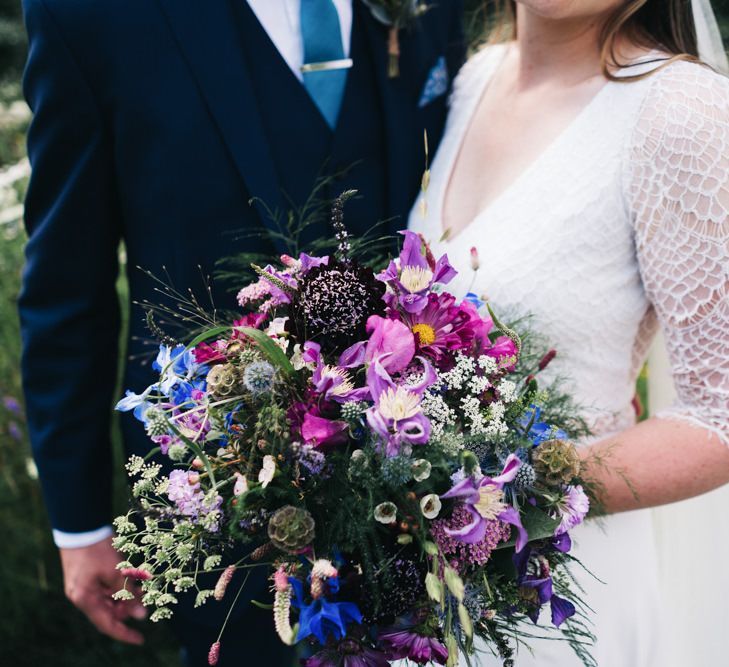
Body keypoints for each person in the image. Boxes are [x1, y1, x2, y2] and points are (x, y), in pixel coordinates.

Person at [19, 1, 464, 664]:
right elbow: (67, 285)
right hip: (219, 495)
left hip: (427, 478)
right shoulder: (86, 12)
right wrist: (80, 522)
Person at [409, 0, 729, 664]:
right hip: (423, 598)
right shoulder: (473, 79)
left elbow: (719, 412)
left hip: (557, 601)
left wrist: (502, 497)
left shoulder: (679, 111)